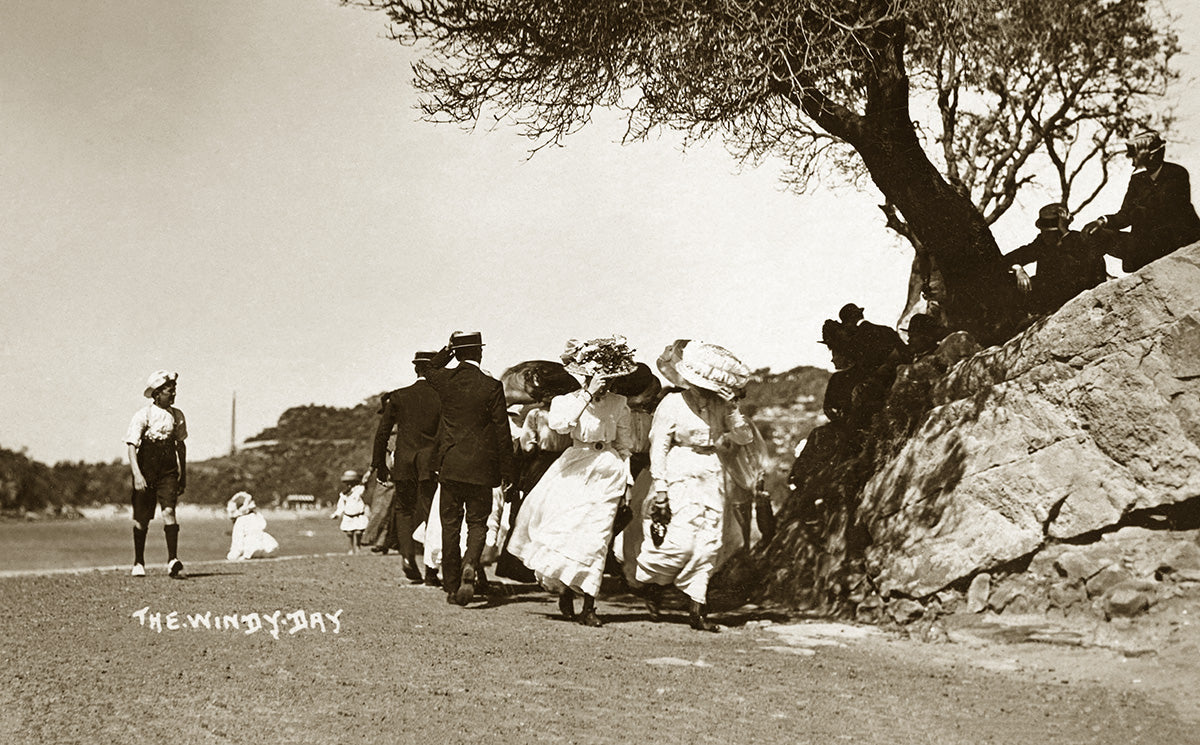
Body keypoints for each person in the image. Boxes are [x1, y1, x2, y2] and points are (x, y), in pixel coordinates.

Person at [507, 336, 636, 627]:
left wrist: (626, 482)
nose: (605, 383)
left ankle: (589, 604)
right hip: (574, 467)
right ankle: (566, 589)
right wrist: (586, 395)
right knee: (566, 531)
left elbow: (625, 444)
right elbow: (561, 425)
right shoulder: (567, 402)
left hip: (608, 471)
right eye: (598, 377)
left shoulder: (619, 404)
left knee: (597, 538)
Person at [634, 340, 755, 632]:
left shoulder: (720, 406)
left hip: (711, 474)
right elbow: (659, 447)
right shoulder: (672, 403)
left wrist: (733, 408)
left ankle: (697, 610)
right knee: (679, 542)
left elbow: (744, 438)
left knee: (709, 542)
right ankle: (653, 586)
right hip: (679, 472)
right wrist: (661, 487)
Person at [425, 331, 514, 606]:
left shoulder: (445, 381)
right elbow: (502, 432)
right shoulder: (491, 386)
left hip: (450, 465)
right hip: (482, 467)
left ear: (458, 353)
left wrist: (447, 350)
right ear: (480, 353)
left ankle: (452, 586)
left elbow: (428, 368)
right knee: (477, 524)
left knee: (449, 526)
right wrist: (508, 473)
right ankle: (471, 564)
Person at [1083, 130, 1200, 273]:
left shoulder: (1176, 174)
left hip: (1175, 243)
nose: (1132, 162)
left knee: (1147, 236)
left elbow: (1158, 210)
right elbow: (1125, 215)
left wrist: (1140, 169)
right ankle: (1099, 281)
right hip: (1146, 244)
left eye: (1135, 156)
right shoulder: (1138, 179)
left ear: (1150, 156)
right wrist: (1102, 222)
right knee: (1095, 235)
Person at [371, 350, 442, 583]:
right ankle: (431, 569)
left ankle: (407, 558)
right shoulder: (442, 396)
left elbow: (382, 434)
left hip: (403, 463)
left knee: (403, 510)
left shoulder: (398, 396)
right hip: (431, 464)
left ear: (415, 369)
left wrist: (379, 465)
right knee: (432, 514)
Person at [124, 369, 187, 578]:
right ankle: (139, 562)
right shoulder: (143, 415)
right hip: (146, 468)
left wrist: (183, 473)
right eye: (170, 391)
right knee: (142, 518)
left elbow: (180, 446)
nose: (174, 394)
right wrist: (137, 474)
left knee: (169, 512)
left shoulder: (177, 415)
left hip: (168, 469)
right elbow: (132, 446)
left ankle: (172, 560)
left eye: (175, 390)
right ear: (157, 393)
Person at [1003, 202, 1107, 315]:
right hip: (1049, 297)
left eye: (1050, 232)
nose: (1044, 235)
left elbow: (1088, 274)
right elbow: (1012, 258)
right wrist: (1018, 269)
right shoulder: (1042, 243)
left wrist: (1065, 232)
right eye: (1043, 231)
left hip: (1077, 298)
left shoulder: (1080, 241)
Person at [225, 491, 279, 561]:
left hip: (252, 549)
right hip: (271, 548)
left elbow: (238, 545)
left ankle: (248, 555)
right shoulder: (258, 516)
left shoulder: (240, 520)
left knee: (231, 556)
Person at [331, 470, 369, 554]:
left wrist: (364, 482)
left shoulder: (358, 490)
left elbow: (363, 488)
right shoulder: (343, 495)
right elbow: (341, 506)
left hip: (358, 515)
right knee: (349, 533)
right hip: (348, 515)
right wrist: (337, 514)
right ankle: (351, 548)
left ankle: (358, 546)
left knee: (359, 532)